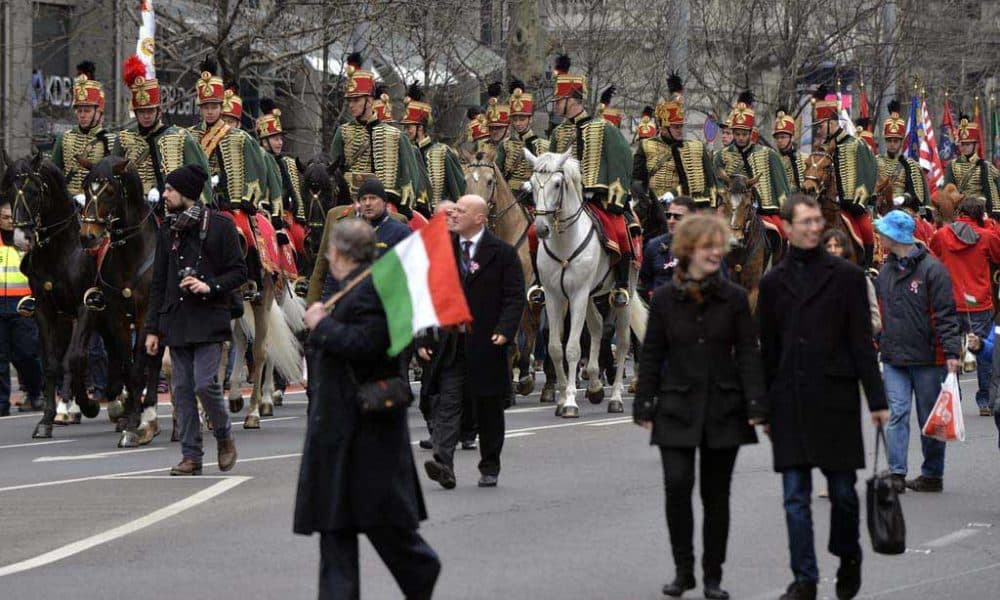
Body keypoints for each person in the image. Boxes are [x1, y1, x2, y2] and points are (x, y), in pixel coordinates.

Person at [296, 219, 439, 599]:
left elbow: (368, 344)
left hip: (364, 430)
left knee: (384, 524)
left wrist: (322, 327)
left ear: (339, 254)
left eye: (329, 251)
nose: (327, 256)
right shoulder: (350, 289)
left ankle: (420, 567)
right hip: (337, 428)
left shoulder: (372, 290)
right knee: (336, 528)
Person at [757, 194, 888, 600]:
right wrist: (762, 406)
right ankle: (805, 578)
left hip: (836, 399)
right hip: (790, 399)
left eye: (817, 220)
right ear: (789, 228)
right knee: (795, 499)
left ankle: (849, 555)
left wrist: (877, 399)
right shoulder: (773, 284)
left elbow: (861, 343)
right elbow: (769, 351)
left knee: (845, 496)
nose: (815, 227)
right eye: (807, 222)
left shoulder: (847, 277)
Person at [633, 214, 766, 600]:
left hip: (724, 406)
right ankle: (683, 569)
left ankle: (712, 576)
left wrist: (757, 402)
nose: (714, 254)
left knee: (715, 495)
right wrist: (644, 400)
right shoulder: (665, 301)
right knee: (677, 485)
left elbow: (747, 353)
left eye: (718, 247)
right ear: (688, 251)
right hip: (676, 403)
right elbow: (653, 351)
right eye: (707, 247)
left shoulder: (735, 298)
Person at [144, 164, 245, 476]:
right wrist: (152, 329)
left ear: (187, 193)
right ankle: (191, 456)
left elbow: (239, 272)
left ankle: (225, 434)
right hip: (177, 320)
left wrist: (209, 285)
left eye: (171, 190)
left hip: (210, 316)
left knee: (204, 383)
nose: (165, 195)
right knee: (182, 389)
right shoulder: (167, 230)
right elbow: (158, 283)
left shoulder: (221, 226)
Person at [418, 195, 524, 489]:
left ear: (479, 218)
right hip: (452, 343)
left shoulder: (501, 253)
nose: (453, 214)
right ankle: (443, 463)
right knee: (448, 404)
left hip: (487, 343)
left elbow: (514, 296)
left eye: (461, 211)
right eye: (453, 210)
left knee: (488, 408)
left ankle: (490, 465)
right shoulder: (444, 252)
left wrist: (505, 329)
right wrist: (424, 337)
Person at [876, 209, 961, 494]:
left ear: (894, 236)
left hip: (928, 357)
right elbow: (881, 312)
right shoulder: (885, 270)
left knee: (929, 419)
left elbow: (946, 314)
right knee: (898, 413)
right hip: (894, 356)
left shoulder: (933, 270)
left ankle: (932, 474)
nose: (879, 236)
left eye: (883, 232)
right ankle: (897, 473)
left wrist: (951, 353)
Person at [550, 54, 636, 307]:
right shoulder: (558, 132)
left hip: (598, 200)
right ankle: (540, 283)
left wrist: (614, 201)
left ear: (573, 101)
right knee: (536, 232)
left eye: (559, 100)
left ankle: (621, 285)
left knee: (620, 231)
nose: (555, 105)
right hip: (564, 202)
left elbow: (621, 164)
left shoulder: (604, 129)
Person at [330, 53, 426, 218]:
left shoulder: (395, 135)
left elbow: (410, 177)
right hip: (353, 201)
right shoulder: (343, 132)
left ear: (369, 100)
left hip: (387, 203)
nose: (351, 105)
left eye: (356, 100)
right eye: (349, 101)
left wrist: (403, 200)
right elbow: (333, 169)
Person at [929, 197, 1000, 416]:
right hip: (978, 302)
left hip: (949, 300)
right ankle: (985, 401)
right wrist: (989, 225)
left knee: (948, 351)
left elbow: (934, 253)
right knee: (983, 352)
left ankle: (953, 398)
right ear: (980, 214)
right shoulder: (986, 236)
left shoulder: (942, 235)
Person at [115, 54, 212, 210]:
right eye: (141, 112)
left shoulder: (180, 136)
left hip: (174, 207)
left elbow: (199, 172)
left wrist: (203, 206)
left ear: (158, 112)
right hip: (133, 208)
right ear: (136, 112)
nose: (146, 116)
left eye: (150, 111)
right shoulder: (123, 138)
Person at [811, 86, 878, 268]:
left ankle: (868, 265)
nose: (819, 130)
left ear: (832, 123)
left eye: (821, 125)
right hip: (828, 204)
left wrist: (858, 200)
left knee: (865, 227)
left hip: (852, 205)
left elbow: (869, 172)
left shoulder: (856, 144)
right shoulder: (822, 151)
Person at [715, 91, 790, 232]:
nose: (741, 138)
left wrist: (786, 212)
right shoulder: (721, 155)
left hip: (764, 211)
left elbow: (781, 189)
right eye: (737, 134)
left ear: (751, 133)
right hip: (730, 210)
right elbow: (718, 183)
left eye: (744, 134)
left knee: (782, 234)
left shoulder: (769, 154)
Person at [0, 201, 42, 416]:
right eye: (4, 217)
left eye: (11, 218)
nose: (8, 222)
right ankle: (2, 404)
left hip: (22, 304)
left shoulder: (26, 241)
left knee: (26, 354)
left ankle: (36, 393)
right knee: (0, 358)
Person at [51, 61, 114, 200]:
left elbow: (114, 180)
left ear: (98, 112)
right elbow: (53, 174)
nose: (82, 115)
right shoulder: (64, 137)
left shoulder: (110, 140)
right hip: (68, 203)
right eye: (79, 110)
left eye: (87, 110)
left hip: (98, 204)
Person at [400, 82, 466, 215]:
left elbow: (457, 188)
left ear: (421, 128)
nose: (406, 131)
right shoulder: (405, 152)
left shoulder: (443, 152)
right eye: (405, 127)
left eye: (409, 127)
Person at [496, 78, 550, 200]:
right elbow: (498, 173)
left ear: (530, 119)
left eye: (522, 119)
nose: (518, 123)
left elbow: (547, 175)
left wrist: (532, 183)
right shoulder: (504, 145)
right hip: (509, 195)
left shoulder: (542, 144)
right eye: (515, 120)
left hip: (533, 196)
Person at [821, 229, 881, 334]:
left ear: (844, 249)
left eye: (837, 246)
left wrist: (855, 333)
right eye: (828, 246)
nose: (833, 250)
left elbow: (876, 321)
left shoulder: (860, 278)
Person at [639, 196, 695, 299]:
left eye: (678, 217)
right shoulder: (653, 246)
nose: (671, 221)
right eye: (668, 215)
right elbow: (645, 278)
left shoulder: (704, 248)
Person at [944, 115, 1000, 216]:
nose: (964, 147)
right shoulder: (951, 165)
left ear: (975, 145)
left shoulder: (986, 166)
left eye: (968, 144)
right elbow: (947, 189)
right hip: (959, 211)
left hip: (981, 211)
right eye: (962, 144)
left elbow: (994, 191)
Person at [877, 102, 931, 207]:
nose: (892, 144)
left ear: (901, 142)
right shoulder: (875, 161)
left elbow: (916, 194)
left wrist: (904, 198)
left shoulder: (910, 164)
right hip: (879, 207)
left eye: (896, 141)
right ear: (885, 141)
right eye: (889, 141)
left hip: (902, 208)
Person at [773, 110, 807, 194]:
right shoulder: (773, 159)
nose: (779, 140)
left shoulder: (804, 158)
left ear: (792, 138)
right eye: (777, 138)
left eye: (783, 137)